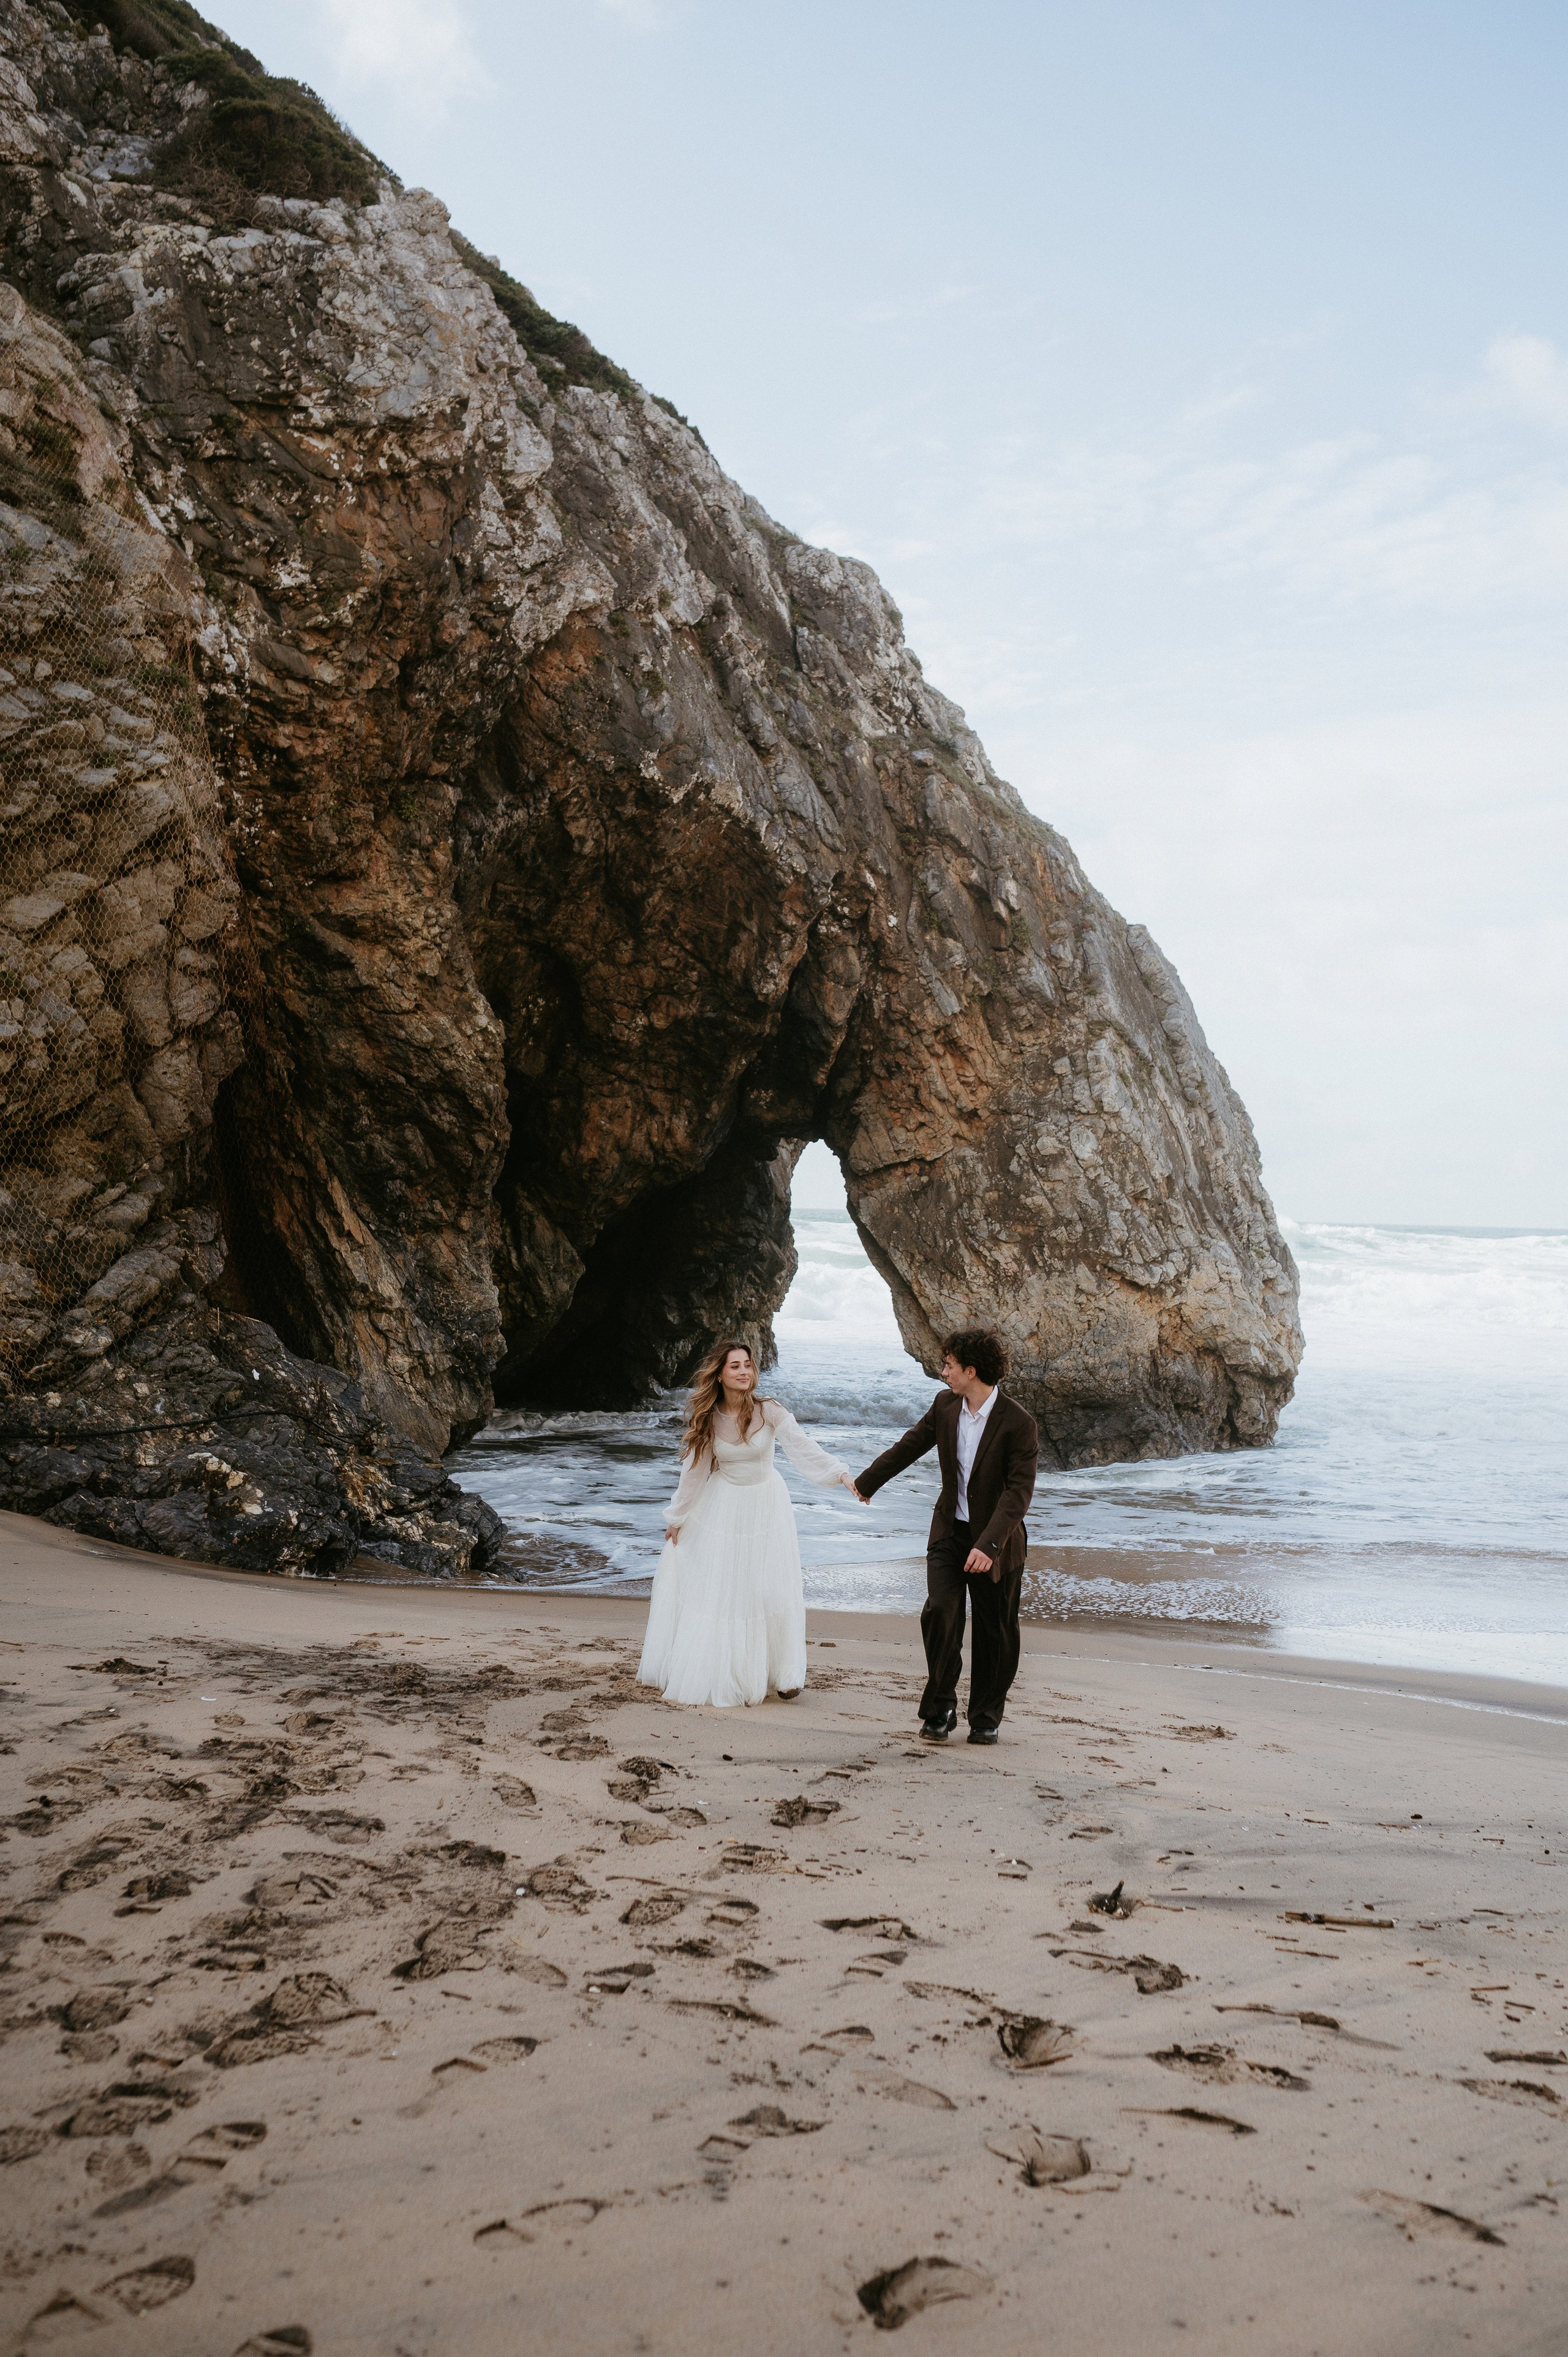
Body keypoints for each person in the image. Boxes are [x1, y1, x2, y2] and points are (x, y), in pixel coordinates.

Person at [638, 1338, 862, 1709]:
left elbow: (803, 1446)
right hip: (723, 1506)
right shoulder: (709, 1418)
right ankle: (733, 1672)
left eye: (748, 1365)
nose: (744, 1372)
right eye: (735, 1367)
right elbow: (693, 1473)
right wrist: (676, 1519)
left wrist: (841, 1474)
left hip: (767, 1506)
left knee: (769, 1588)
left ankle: (784, 1674)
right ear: (720, 1375)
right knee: (727, 1591)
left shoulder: (769, 1410)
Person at [853, 1329, 1038, 1745]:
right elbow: (911, 1445)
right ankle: (940, 1708)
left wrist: (989, 1546)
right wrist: (868, 1482)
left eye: (949, 1365)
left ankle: (986, 1716)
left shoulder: (1018, 1423)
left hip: (998, 1543)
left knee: (996, 1631)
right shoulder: (945, 1406)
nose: (944, 1372)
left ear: (970, 1371)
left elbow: (1017, 1494)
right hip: (950, 1532)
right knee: (939, 1613)